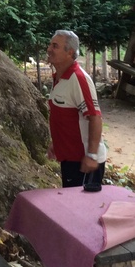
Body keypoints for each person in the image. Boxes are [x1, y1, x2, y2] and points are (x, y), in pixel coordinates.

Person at [45, 29, 107, 188]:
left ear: (69, 52)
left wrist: (92, 155)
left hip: (83, 161)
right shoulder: (59, 77)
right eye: (50, 45)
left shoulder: (78, 79)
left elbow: (95, 117)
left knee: (84, 210)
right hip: (69, 159)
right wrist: (56, 143)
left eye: (55, 46)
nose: (49, 49)